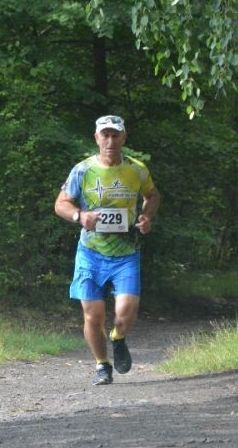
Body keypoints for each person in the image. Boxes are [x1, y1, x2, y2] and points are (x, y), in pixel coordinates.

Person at [54, 115, 160, 385]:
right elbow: (61, 204)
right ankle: (102, 365)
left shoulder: (137, 170)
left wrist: (147, 218)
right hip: (90, 252)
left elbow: (152, 195)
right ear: (97, 138)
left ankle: (118, 338)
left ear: (124, 138)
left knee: (126, 311)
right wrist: (80, 216)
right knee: (93, 313)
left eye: (116, 135)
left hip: (126, 252)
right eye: (105, 135)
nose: (110, 140)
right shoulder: (82, 170)